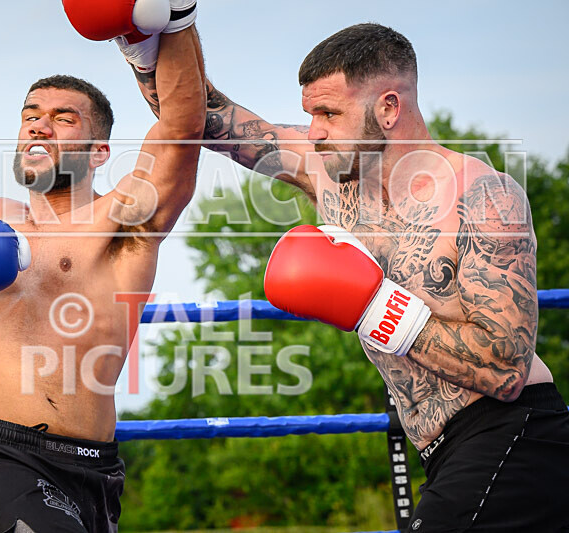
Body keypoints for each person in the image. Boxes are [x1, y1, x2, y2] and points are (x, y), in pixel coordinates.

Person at [124, 22, 569, 531]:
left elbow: (507, 372)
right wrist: (149, 41)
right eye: (311, 113)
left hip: (518, 437)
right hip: (444, 451)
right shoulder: (330, 175)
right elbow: (206, 120)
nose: (313, 130)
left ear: (388, 108)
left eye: (329, 114)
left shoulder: (483, 196)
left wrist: (373, 308)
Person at [0, 1, 204, 531]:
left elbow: (182, 123)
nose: (40, 127)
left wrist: (177, 18)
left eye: (63, 119)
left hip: (93, 468)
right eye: (31, 116)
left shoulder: (123, 222)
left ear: (100, 150)